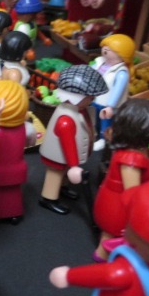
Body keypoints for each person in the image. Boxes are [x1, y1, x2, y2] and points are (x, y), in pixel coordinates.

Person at [93, 99, 149, 262]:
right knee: (111, 234)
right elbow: (132, 193)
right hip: (118, 206)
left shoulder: (140, 149)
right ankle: (102, 259)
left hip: (119, 200)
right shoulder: (131, 160)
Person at [38, 65, 108, 215]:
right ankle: (49, 197)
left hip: (67, 156)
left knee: (63, 173)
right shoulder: (66, 120)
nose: (93, 98)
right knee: (55, 174)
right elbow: (67, 144)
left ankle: (62, 188)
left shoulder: (79, 110)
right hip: (57, 155)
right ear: (77, 97)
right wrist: (74, 165)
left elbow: (87, 122)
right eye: (90, 96)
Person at [0, 80, 36, 224]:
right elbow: (31, 142)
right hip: (16, 169)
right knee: (12, 194)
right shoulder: (27, 128)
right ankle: (14, 213)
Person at [91, 34, 136, 151]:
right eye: (104, 47)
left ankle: (103, 139)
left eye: (110, 49)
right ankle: (97, 134)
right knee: (96, 119)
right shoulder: (99, 62)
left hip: (107, 104)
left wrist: (110, 106)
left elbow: (118, 91)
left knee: (106, 122)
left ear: (123, 55)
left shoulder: (121, 73)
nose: (105, 50)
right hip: (95, 99)